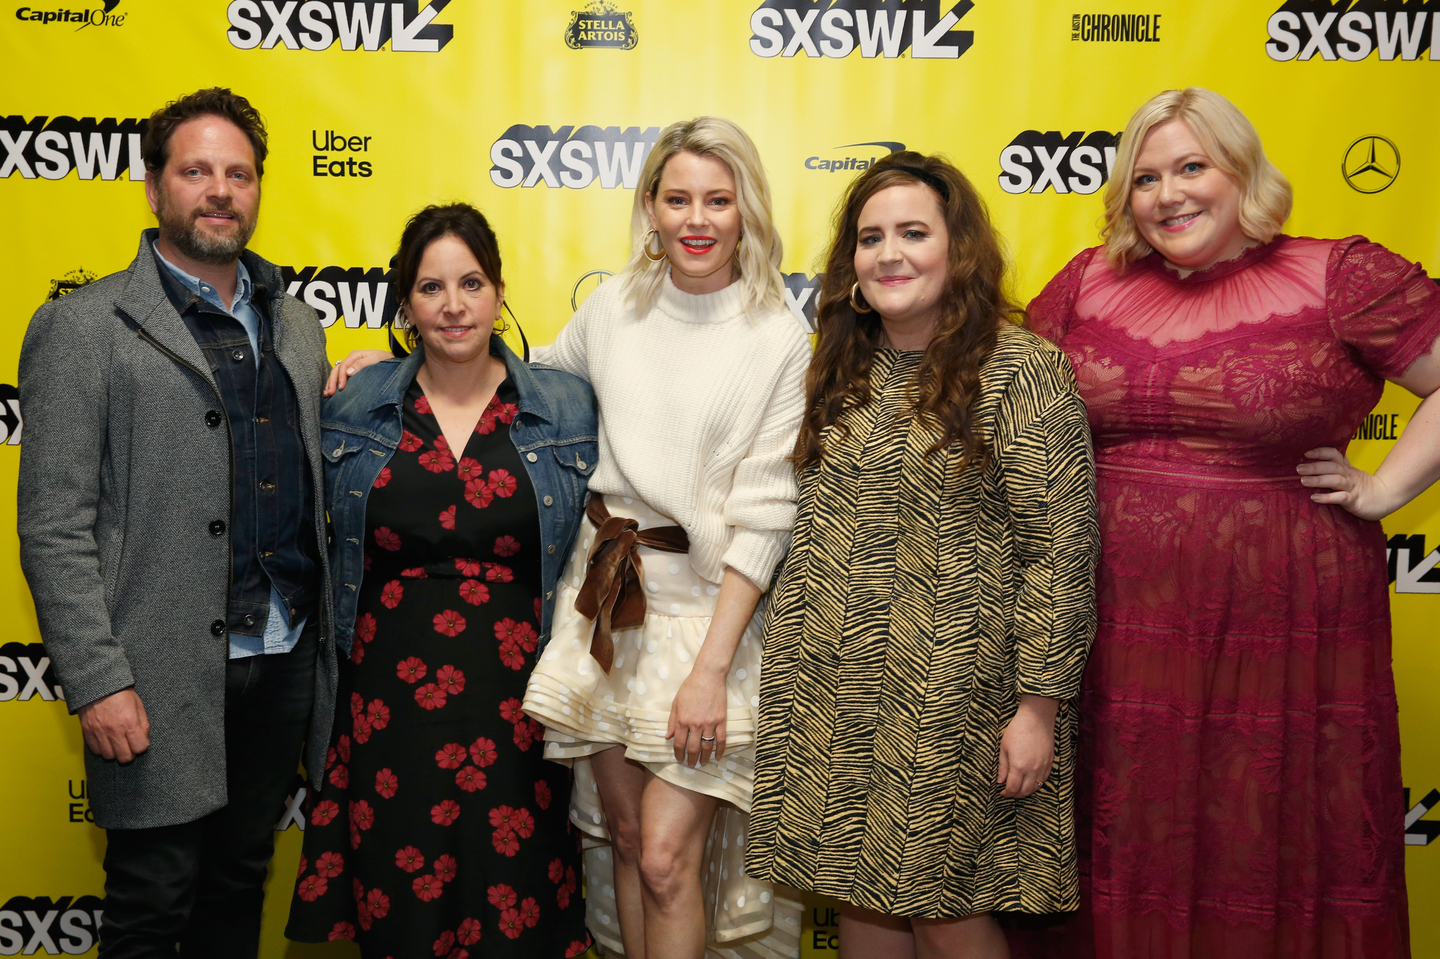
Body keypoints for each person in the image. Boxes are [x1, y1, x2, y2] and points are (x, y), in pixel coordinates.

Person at [1019, 87, 1440, 959]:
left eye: (1191, 167)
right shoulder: (1086, 281)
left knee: (1263, 826)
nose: (1168, 194)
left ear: (1242, 170)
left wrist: (1386, 489)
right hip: (1109, 618)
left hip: (1283, 619)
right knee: (1122, 820)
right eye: (1145, 178)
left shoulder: (1340, 274)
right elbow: (1014, 414)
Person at [743, 152, 1099, 959]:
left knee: (946, 905)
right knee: (861, 895)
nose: (889, 253)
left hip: (954, 700)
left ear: (958, 247)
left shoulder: (1021, 368)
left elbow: (1062, 548)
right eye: (871, 238)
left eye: (913, 232)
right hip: (831, 692)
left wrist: (1039, 706)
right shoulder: (838, 367)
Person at [16, 88, 334, 959]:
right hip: (152, 675)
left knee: (239, 888)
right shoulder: (84, 327)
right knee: (153, 904)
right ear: (154, 188)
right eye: (196, 171)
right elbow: (52, 523)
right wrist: (95, 678)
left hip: (280, 658)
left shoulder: (299, 326)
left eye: (238, 173)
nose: (220, 190)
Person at [283, 203, 595, 959]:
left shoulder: (565, 405)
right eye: (431, 287)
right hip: (387, 708)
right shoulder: (352, 403)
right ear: (405, 302)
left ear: (499, 291)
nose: (453, 305)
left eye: (472, 282)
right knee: (403, 914)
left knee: (514, 908)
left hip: (521, 707)